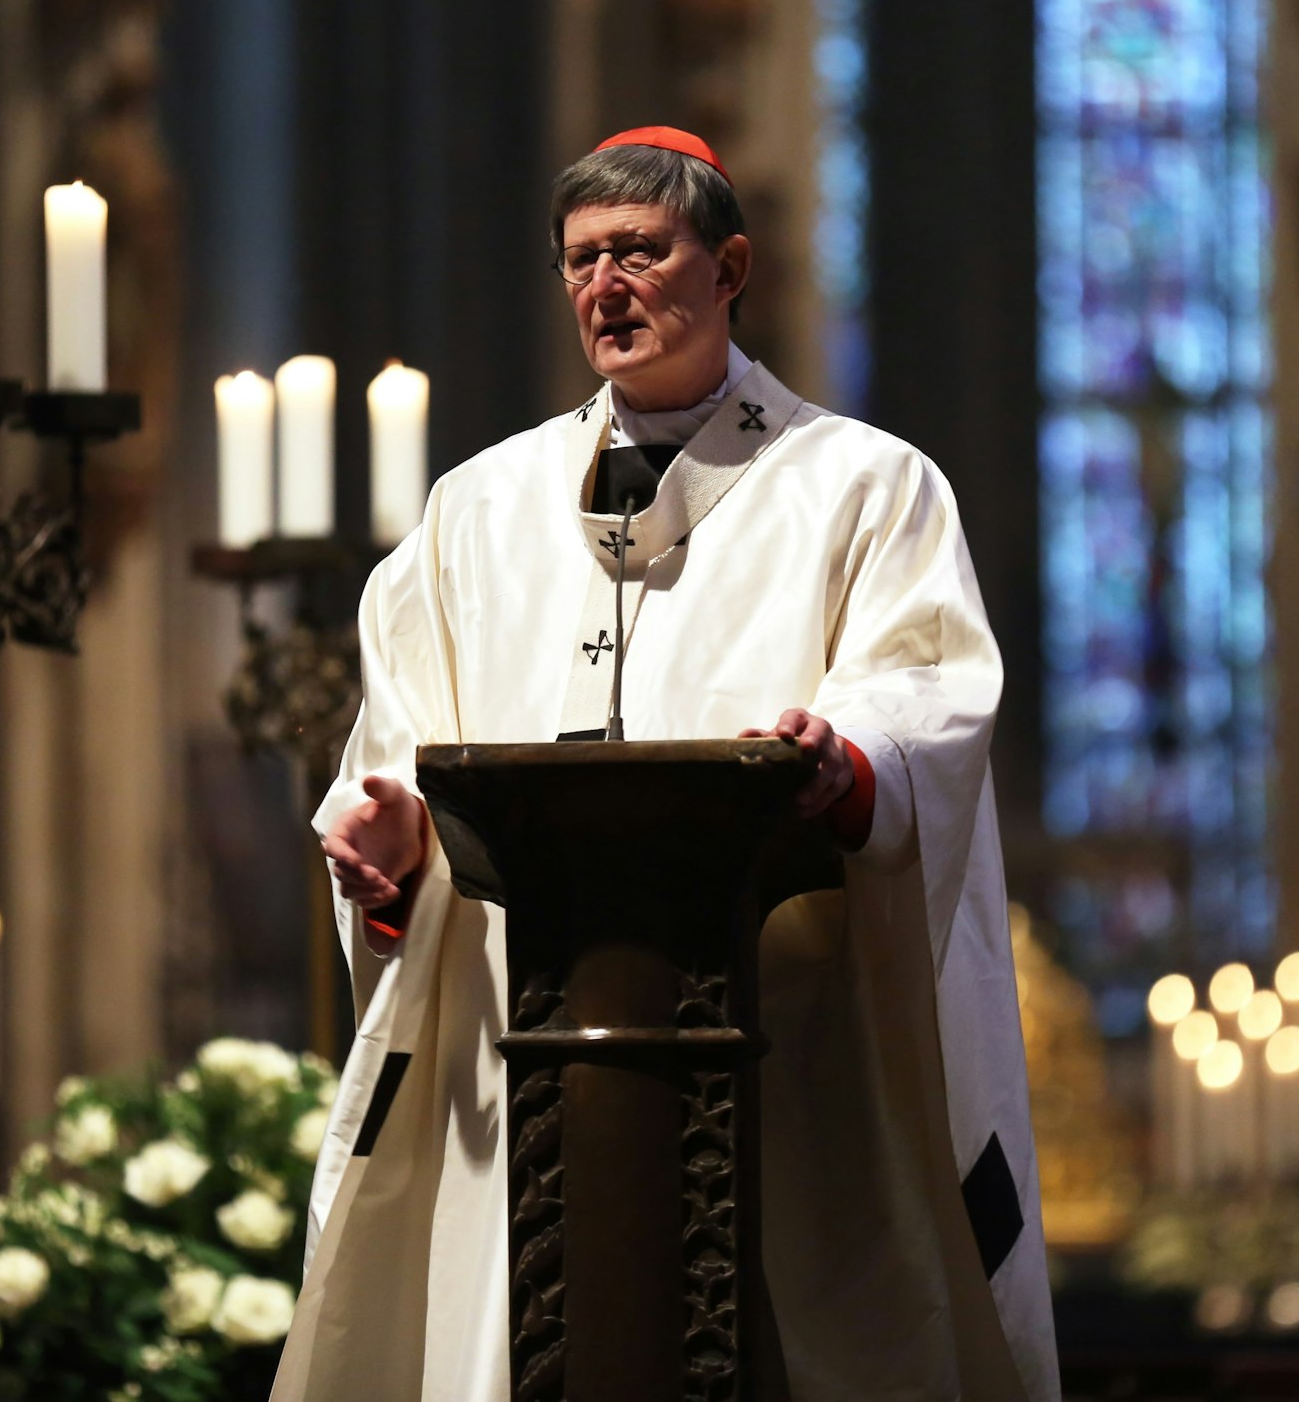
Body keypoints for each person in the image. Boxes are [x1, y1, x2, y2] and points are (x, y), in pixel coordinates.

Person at [269, 127, 1058, 1402]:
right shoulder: (476, 511)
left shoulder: (862, 487)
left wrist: (843, 763)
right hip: (531, 1045)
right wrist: (393, 847)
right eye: (580, 260)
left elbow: (923, 692)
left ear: (728, 265)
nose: (605, 286)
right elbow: (405, 755)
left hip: (779, 1038)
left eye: (639, 251)